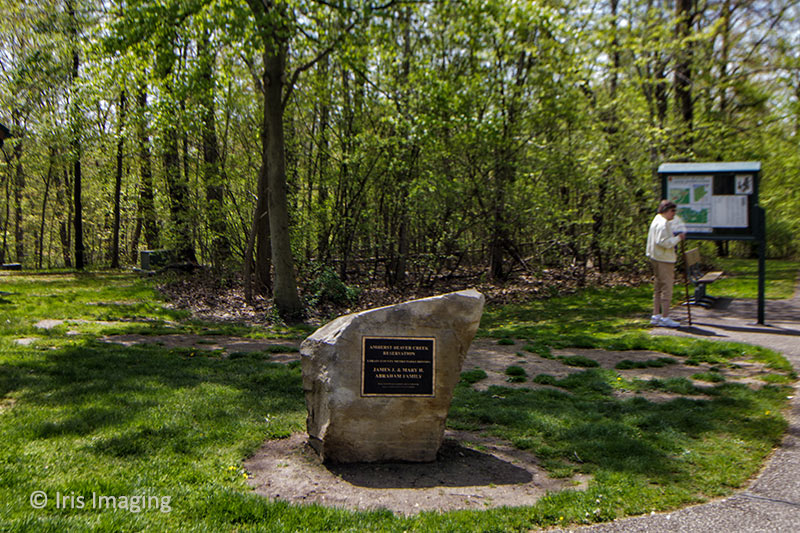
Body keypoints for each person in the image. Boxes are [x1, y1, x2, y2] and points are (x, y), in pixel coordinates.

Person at [646, 199, 686, 328]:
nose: (674, 214)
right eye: (672, 211)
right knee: (667, 288)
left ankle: (656, 315)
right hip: (664, 259)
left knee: (658, 288)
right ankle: (665, 317)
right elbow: (663, 242)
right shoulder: (663, 223)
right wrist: (678, 238)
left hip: (655, 257)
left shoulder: (656, 219)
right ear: (665, 211)